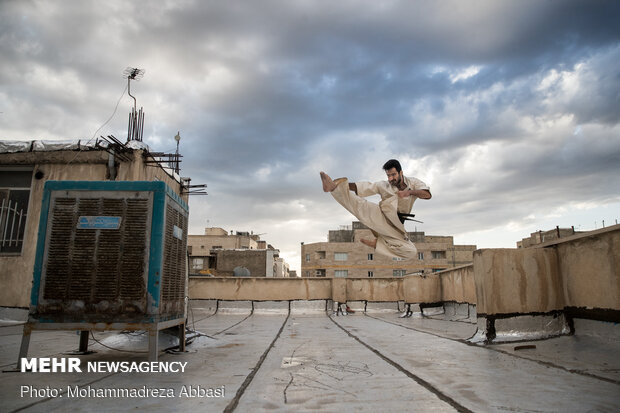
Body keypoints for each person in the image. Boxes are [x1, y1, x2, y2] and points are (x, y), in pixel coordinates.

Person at [320, 159, 431, 259]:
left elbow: (427, 194)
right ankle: (333, 187)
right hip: (381, 216)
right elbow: (364, 187)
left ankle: (379, 244)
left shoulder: (414, 182)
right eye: (388, 176)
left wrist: (409, 192)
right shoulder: (383, 185)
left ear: (401, 172)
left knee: (411, 251)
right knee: (359, 205)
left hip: (395, 226)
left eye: (393, 175)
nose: (391, 178)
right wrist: (340, 185)